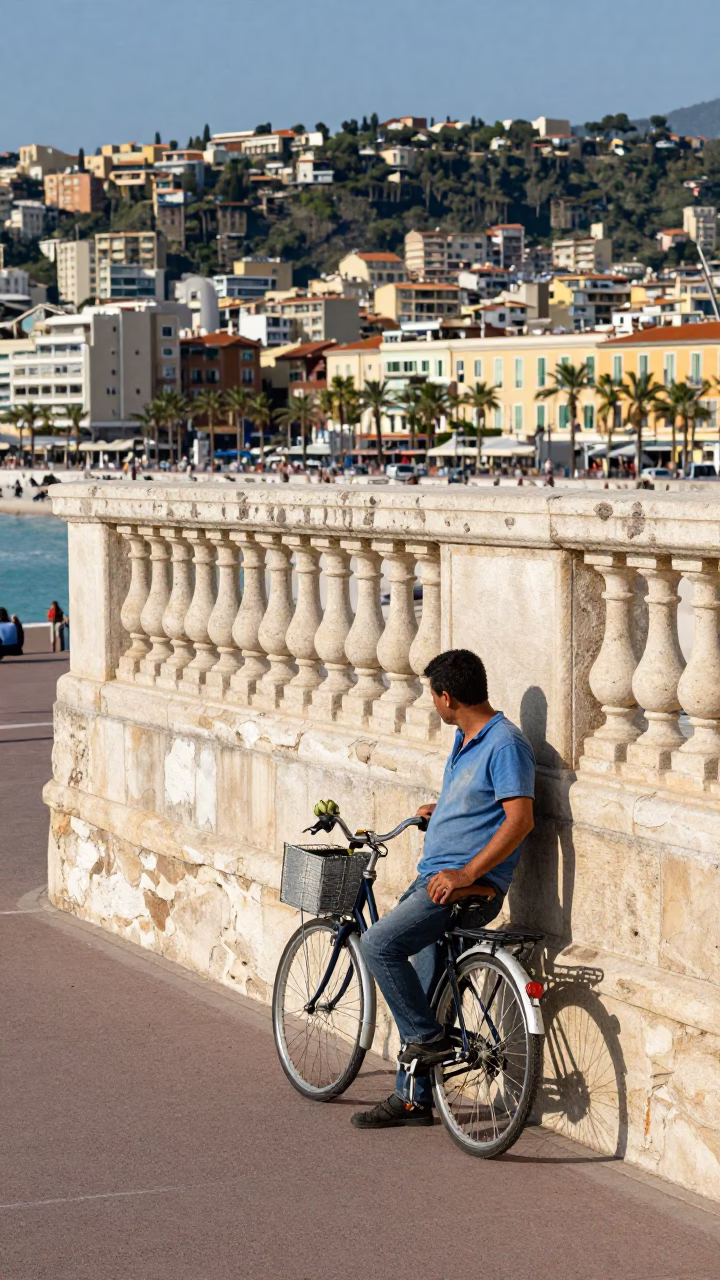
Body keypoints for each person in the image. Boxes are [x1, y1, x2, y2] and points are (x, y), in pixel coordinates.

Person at [352, 649, 535, 1131]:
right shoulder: (466, 737)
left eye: (433, 695)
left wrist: (466, 873)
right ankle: (411, 1099)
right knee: (421, 984)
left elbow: (520, 819)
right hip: (436, 880)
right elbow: (484, 806)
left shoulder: (504, 744)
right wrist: (446, 810)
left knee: (378, 944)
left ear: (447, 696)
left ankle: (430, 1040)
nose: (433, 703)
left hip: (461, 889)